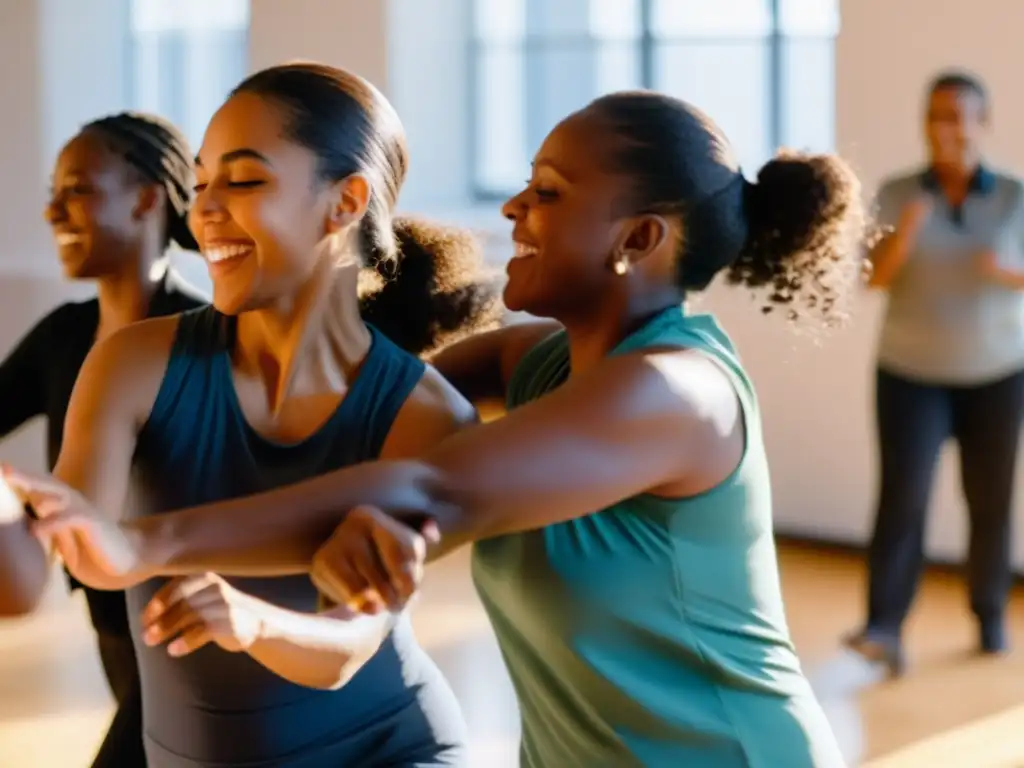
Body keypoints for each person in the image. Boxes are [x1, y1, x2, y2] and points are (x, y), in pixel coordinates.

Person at [21, 91, 866, 767]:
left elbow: (431, 481)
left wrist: (140, 544)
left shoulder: (675, 393)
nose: (511, 207)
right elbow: (378, 394)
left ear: (638, 239)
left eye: (546, 194)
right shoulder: (542, 364)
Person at [8, 62, 501, 767]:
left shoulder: (424, 416)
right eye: (202, 182)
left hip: (388, 751)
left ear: (345, 201)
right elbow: (59, 562)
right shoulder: (132, 364)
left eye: (241, 181)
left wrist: (251, 621)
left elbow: (351, 644)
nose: (205, 209)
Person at [0, 112, 208, 768]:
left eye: (78, 190)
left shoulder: (206, 337)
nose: (54, 211)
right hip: (114, 630)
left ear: (147, 198)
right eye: (54, 193)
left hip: (194, 637)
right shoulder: (64, 334)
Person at [844, 70, 1024, 676]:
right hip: (910, 372)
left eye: (958, 115)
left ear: (983, 121)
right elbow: (869, 280)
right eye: (935, 116)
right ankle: (883, 627)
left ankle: (990, 615)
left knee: (990, 500)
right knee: (903, 497)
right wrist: (905, 237)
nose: (946, 128)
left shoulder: (1014, 195)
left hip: (997, 372)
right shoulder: (898, 193)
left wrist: (1006, 274)